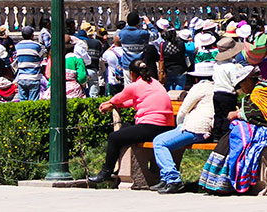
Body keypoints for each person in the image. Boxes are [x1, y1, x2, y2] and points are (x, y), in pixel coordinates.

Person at [89, 59, 175, 187]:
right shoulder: (155, 83)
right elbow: (133, 101)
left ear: (131, 73)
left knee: (114, 138)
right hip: (166, 126)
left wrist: (108, 104)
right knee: (126, 128)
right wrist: (116, 104)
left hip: (152, 127)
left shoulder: (135, 86)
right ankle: (118, 168)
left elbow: (118, 98)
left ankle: (106, 172)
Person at [151, 74, 216, 194]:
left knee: (159, 142)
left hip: (194, 128)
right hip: (206, 129)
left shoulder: (200, 87)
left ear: (197, 78)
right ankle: (165, 178)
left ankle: (172, 179)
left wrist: (179, 126)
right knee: (161, 141)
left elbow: (183, 111)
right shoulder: (214, 87)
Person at [14, 25, 45, 101]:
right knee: (33, 102)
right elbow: (41, 57)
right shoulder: (37, 46)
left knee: (22, 103)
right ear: (32, 35)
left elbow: (15, 59)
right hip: (34, 77)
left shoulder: (17, 46)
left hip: (21, 77)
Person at [118, 11, 150, 83]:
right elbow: (155, 34)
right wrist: (148, 23)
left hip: (127, 65)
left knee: (129, 86)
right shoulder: (143, 34)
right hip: (140, 65)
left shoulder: (122, 33)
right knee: (141, 85)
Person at [160, 26, 190, 91]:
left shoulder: (163, 45)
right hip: (180, 69)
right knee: (179, 89)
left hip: (168, 70)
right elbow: (183, 54)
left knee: (169, 89)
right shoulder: (181, 44)